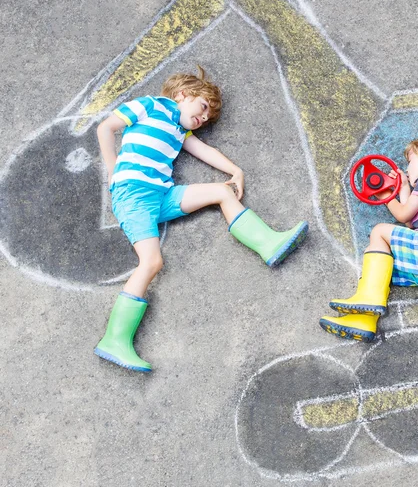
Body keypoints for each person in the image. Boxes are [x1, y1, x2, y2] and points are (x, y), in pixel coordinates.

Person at [94, 66, 308, 372]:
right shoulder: (150, 105)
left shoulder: (181, 131)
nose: (202, 118)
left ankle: (269, 243)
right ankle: (114, 340)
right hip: (134, 195)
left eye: (206, 118)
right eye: (202, 107)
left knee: (222, 192)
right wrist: (113, 169)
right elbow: (106, 128)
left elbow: (205, 150)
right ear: (182, 95)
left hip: (162, 196)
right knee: (152, 263)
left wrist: (236, 172)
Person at [320, 132, 418, 342]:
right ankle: (363, 321)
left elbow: (403, 214)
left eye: (410, 162)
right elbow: (411, 222)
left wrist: (386, 195)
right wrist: (403, 188)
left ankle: (368, 298)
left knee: (379, 231)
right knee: (379, 269)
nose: (407, 169)